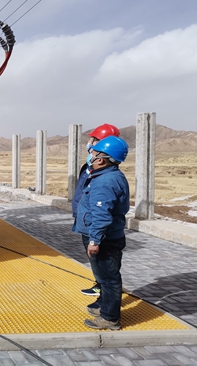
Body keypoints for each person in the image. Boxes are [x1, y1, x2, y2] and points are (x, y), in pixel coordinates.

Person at [73, 135, 130, 330]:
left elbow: (101, 215)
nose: (91, 155)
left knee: (109, 278)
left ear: (101, 160)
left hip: (104, 238)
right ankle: (105, 307)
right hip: (108, 235)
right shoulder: (108, 176)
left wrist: (94, 240)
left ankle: (110, 318)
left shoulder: (105, 181)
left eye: (95, 152)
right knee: (105, 277)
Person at [72, 124, 120, 299]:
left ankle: (106, 301)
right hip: (86, 219)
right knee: (96, 261)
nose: (89, 143)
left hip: (95, 223)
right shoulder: (89, 167)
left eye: (93, 140)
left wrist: (95, 237)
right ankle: (101, 287)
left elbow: (102, 206)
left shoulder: (103, 173)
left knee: (104, 266)